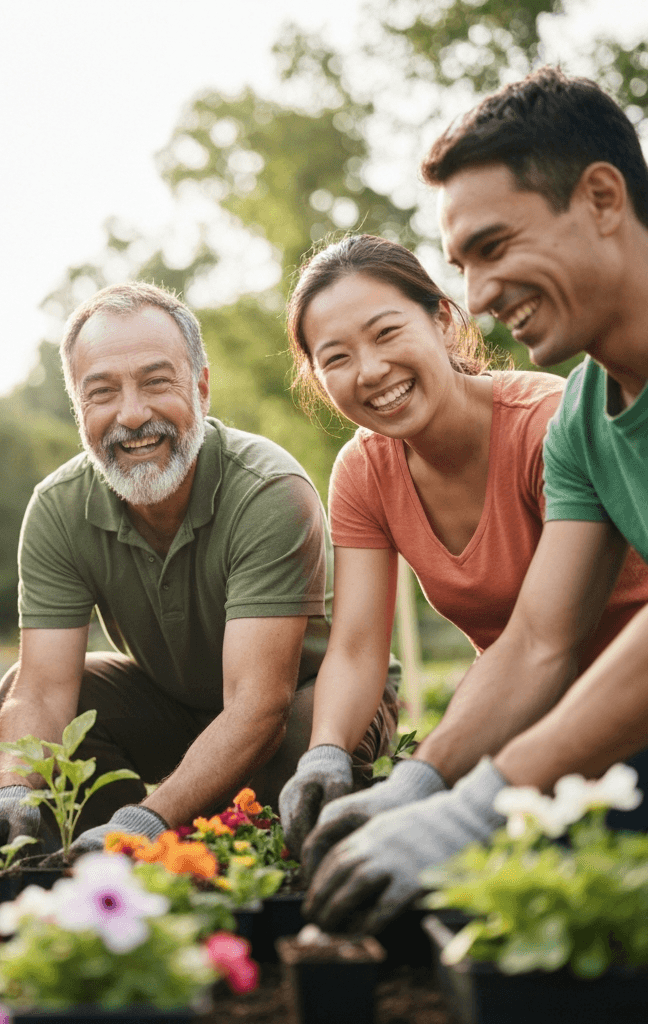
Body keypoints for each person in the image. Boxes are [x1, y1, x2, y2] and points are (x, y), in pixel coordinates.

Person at [297, 65, 648, 934]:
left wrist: (483, 799)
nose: (482, 297)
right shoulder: (584, 420)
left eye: (495, 248)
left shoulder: (535, 424)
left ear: (602, 196)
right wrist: (421, 784)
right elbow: (536, 641)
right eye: (465, 265)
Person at [0, 281, 399, 856]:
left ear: (200, 387)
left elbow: (257, 706)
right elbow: (43, 690)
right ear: (78, 409)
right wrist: (11, 794)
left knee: (305, 728)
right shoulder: (58, 507)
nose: (133, 414)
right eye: (102, 392)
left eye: (156, 382)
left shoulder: (268, 490)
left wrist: (147, 821)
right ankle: (93, 866)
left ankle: (260, 862)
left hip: (304, 698)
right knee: (42, 693)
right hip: (178, 705)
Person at [277, 233, 648, 862]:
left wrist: (428, 780)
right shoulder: (364, 471)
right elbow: (359, 645)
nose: (370, 370)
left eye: (386, 332)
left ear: (444, 320)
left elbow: (540, 639)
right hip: (513, 718)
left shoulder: (547, 425)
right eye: (336, 357)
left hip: (623, 707)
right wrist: (327, 751)